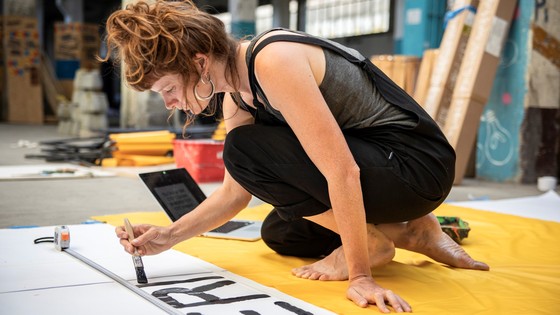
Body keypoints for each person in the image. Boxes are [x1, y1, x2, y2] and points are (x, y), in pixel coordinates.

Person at [104, 1, 489, 313]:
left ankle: (380, 241)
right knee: (282, 232)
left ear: (200, 63)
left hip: (417, 167)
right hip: (382, 166)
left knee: (242, 150)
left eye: (168, 88)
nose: (170, 102)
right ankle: (411, 230)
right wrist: (168, 237)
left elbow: (341, 169)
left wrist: (361, 276)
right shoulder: (236, 94)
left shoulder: (272, 60)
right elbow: (233, 196)